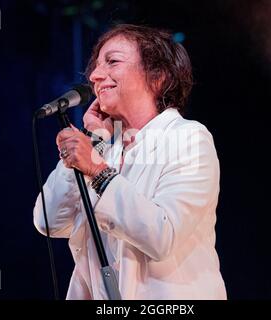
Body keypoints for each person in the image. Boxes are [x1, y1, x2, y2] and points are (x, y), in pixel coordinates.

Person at [33, 24, 227, 300]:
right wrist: (94, 140)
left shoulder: (188, 137)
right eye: (96, 66)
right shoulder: (106, 152)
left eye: (112, 61)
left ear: (158, 76)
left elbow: (162, 233)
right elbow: (48, 220)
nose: (95, 76)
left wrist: (96, 171)